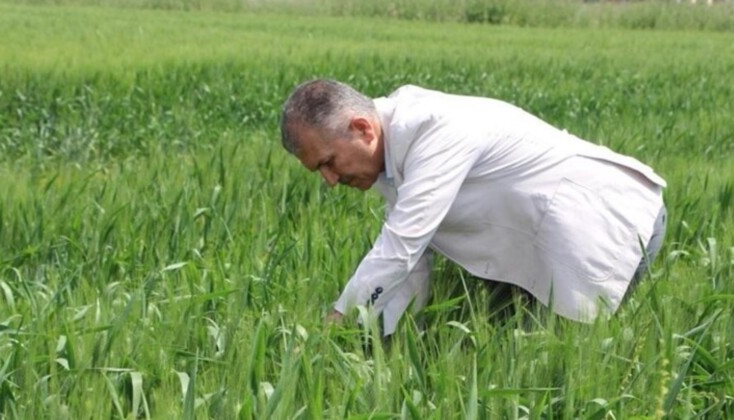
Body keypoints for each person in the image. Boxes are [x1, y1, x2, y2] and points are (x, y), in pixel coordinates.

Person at [279, 79, 667, 336]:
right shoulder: (392, 154)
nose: (330, 180)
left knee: (561, 369)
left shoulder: (435, 131)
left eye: (328, 162)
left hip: (609, 227)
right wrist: (386, 345)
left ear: (363, 129)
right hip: (541, 246)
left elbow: (400, 248)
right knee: (514, 354)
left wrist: (338, 321)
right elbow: (412, 265)